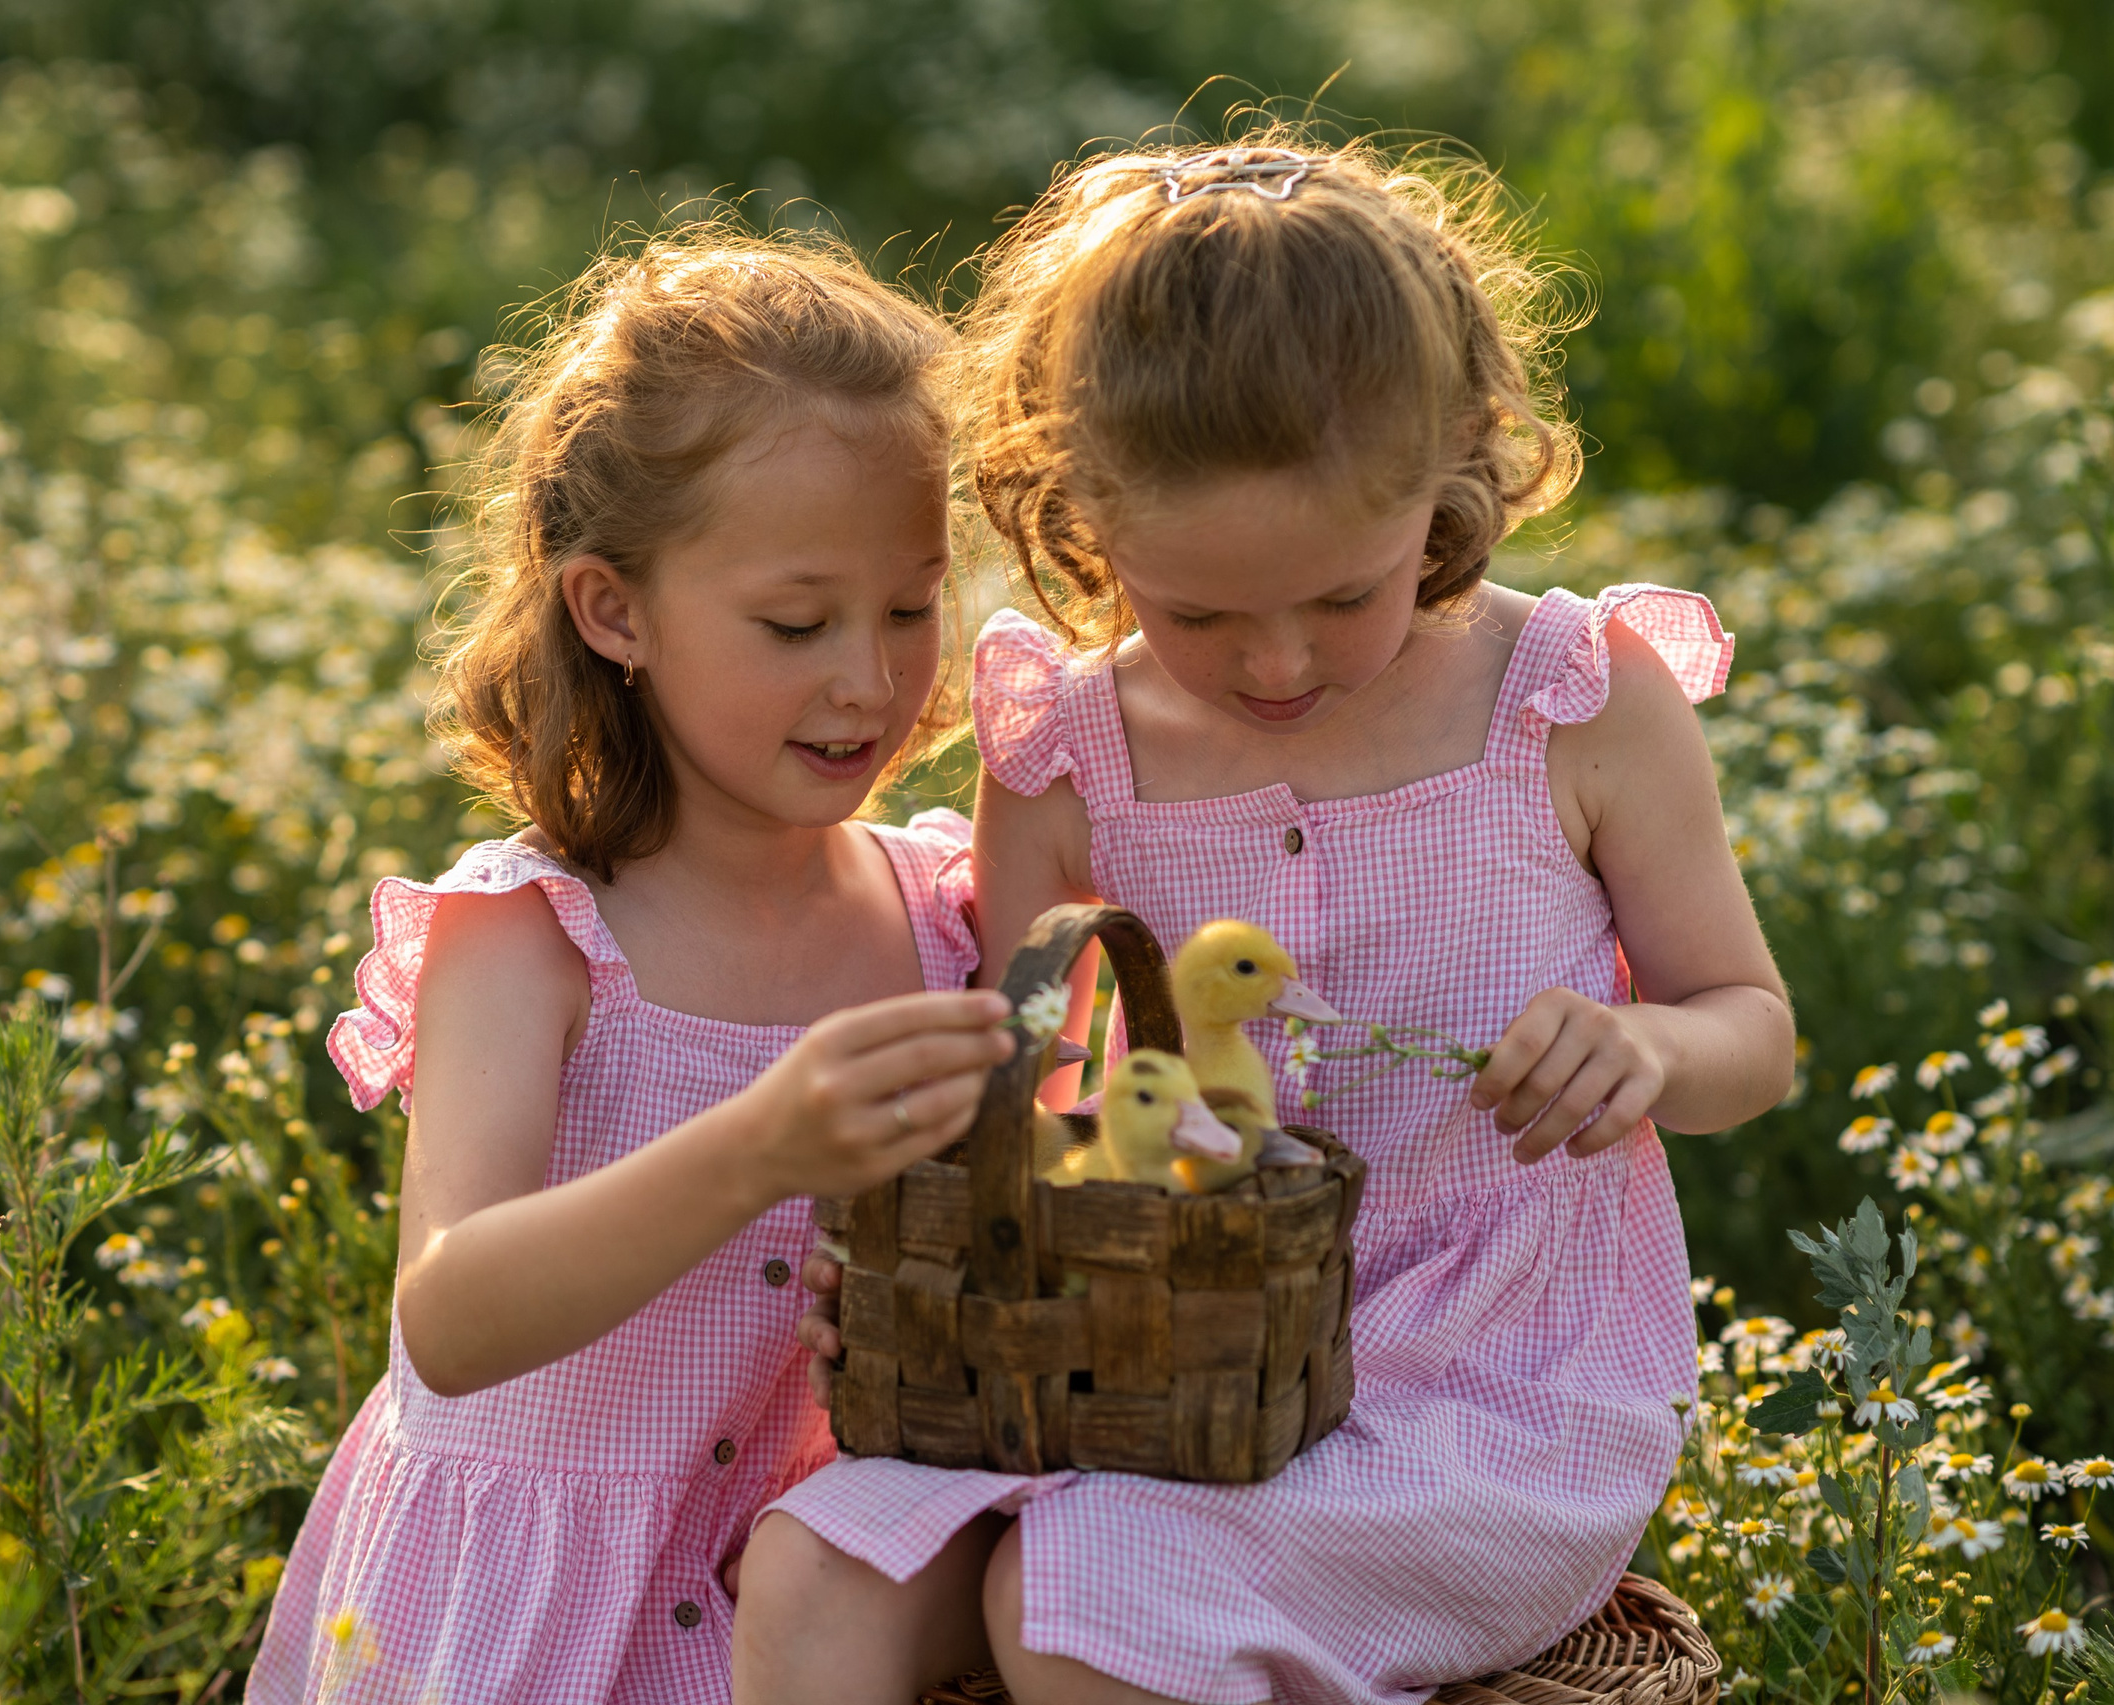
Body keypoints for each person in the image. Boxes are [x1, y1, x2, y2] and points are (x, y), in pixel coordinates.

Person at [735, 138, 1796, 1705]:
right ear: (1084, 518)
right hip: (1142, 1354)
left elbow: (1751, 1033)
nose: (1280, 663)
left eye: (1346, 596)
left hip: (1479, 1396)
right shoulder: (1069, 759)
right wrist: (940, 1250)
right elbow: (1053, 1115)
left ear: (1456, 469)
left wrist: (1647, 1046)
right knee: (817, 1571)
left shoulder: (1568, 706)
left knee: (1075, 1602)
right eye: (1201, 612)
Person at [246, 230, 1016, 1705]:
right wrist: (759, 1146)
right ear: (615, 612)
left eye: (912, 606)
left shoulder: (939, 918)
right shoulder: (535, 934)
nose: (870, 677)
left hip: (789, 1621)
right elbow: (449, 1320)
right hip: (528, 1624)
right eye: (796, 622)